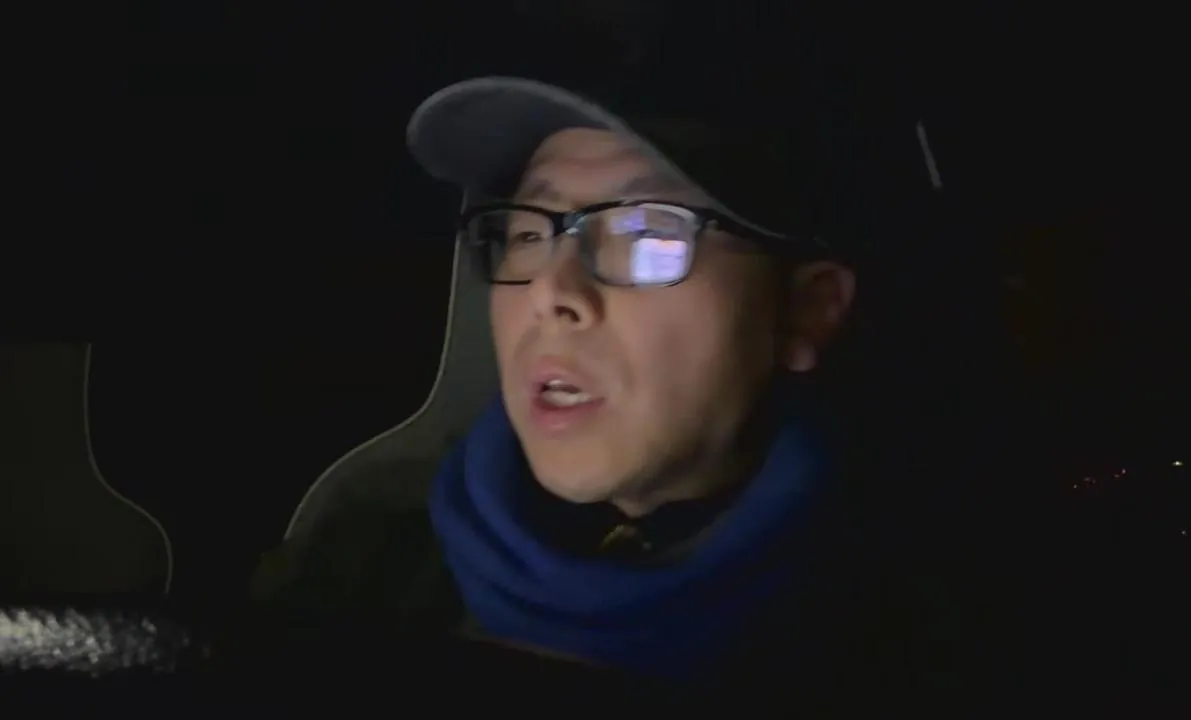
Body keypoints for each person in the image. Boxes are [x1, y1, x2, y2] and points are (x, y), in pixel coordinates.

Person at [249, 76, 1010, 700]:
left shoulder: (931, 634)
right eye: (529, 231)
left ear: (807, 310)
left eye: (649, 233)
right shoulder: (361, 561)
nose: (553, 292)